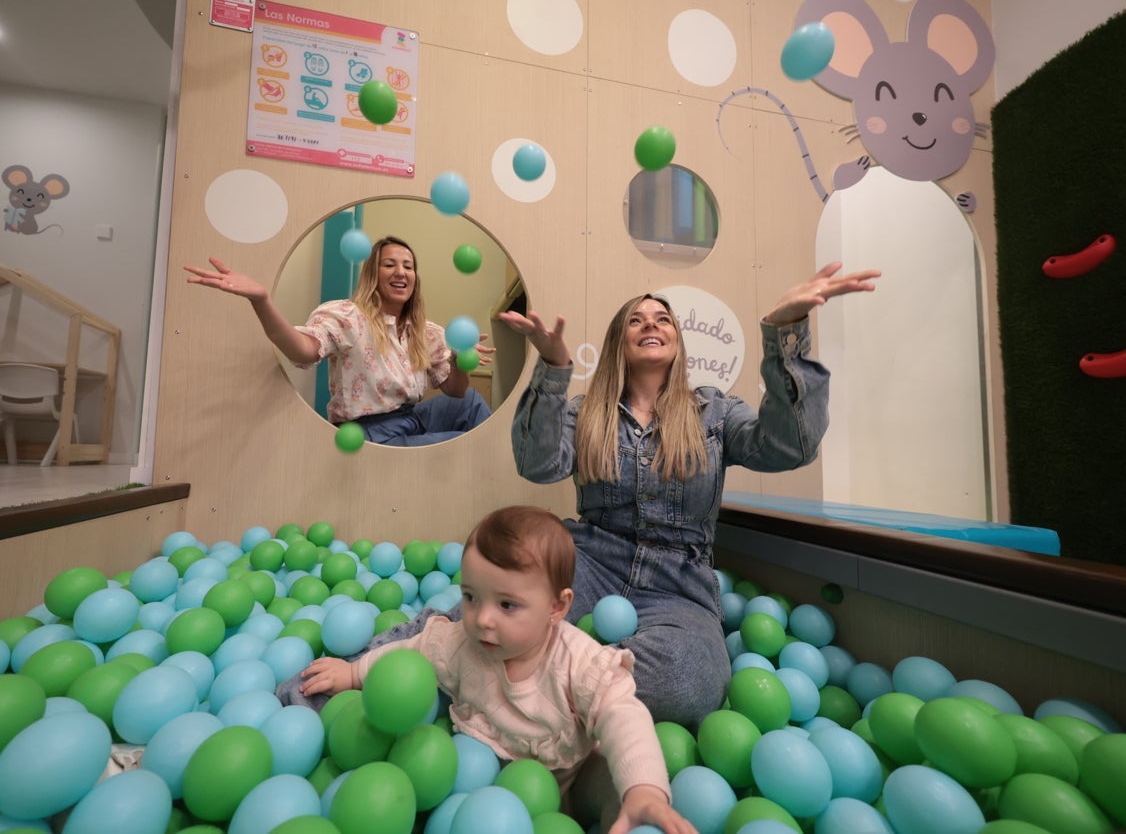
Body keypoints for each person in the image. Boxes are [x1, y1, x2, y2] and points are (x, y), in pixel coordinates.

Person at [494, 261, 880, 728]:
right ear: (619, 340)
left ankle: (530, 684)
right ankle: (457, 658)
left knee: (688, 683)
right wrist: (553, 369)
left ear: (677, 340)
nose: (651, 324)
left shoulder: (714, 411)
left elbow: (790, 447)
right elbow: (538, 466)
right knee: (490, 614)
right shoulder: (586, 412)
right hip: (588, 564)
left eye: (662, 319)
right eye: (636, 319)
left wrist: (786, 336)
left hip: (678, 584)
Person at [294, 505, 699, 834]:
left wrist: (643, 788)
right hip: (477, 789)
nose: (482, 619)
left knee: (616, 789)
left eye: (506, 605)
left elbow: (622, 714)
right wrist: (353, 673)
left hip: (572, 779)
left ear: (557, 607)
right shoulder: (459, 643)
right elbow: (410, 654)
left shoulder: (578, 660)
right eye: (470, 597)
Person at [185, 235, 493, 446]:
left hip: (411, 418)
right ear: (373, 272)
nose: (401, 272)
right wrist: (262, 301)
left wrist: (457, 360)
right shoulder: (347, 316)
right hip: (369, 433)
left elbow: (456, 390)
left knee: (471, 402)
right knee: (461, 447)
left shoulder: (426, 331)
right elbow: (303, 350)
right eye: (390, 264)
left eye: (408, 266)